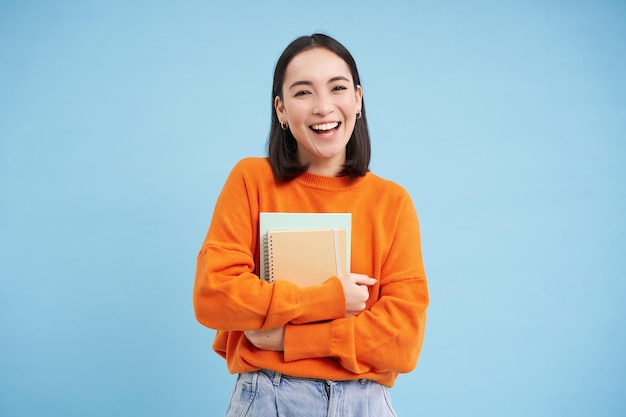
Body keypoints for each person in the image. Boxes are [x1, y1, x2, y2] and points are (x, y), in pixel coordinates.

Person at [193, 33, 429, 417]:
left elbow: (402, 342)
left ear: (358, 99)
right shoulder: (252, 180)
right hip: (269, 396)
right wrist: (331, 299)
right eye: (303, 93)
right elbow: (214, 295)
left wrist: (287, 338)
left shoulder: (392, 202)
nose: (323, 106)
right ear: (281, 110)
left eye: (337, 88)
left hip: (365, 403)